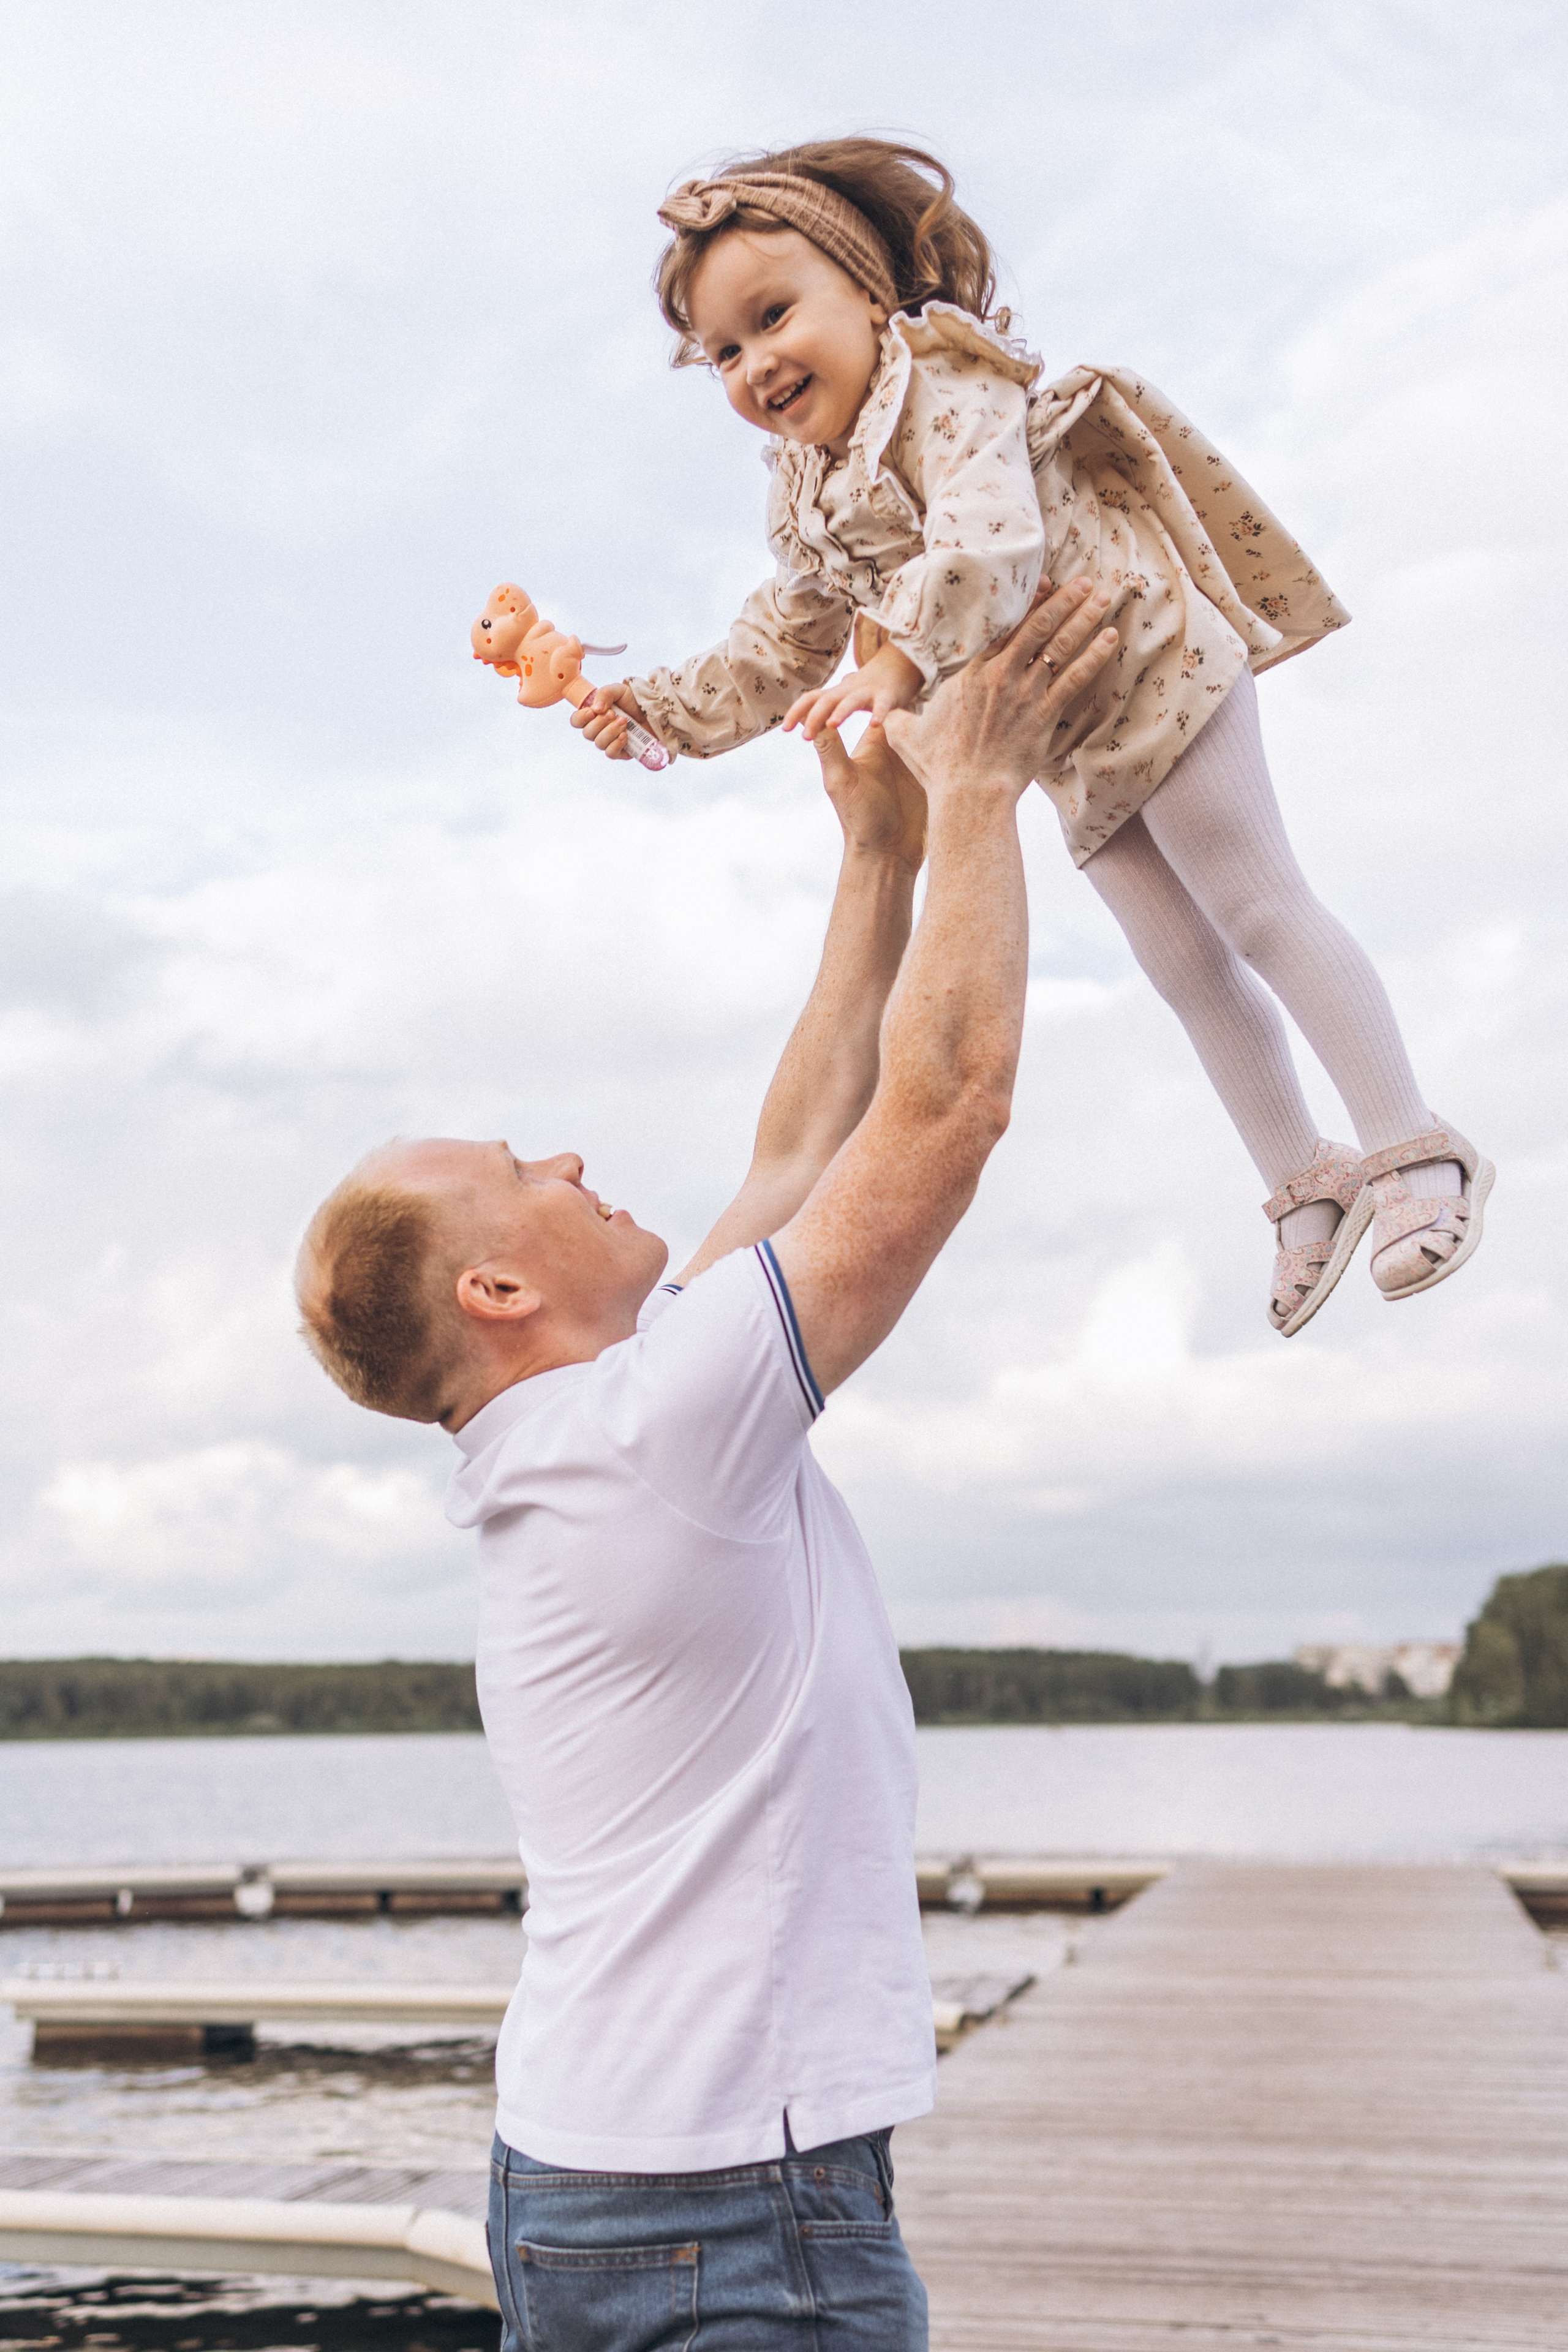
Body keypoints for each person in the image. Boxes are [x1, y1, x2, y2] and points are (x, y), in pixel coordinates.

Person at [295, 582, 1117, 2348]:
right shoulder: (652, 1437)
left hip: (603, 2176)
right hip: (730, 2206)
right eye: (525, 1162)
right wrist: (981, 791)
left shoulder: (609, 1417)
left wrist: (878, 859)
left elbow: (808, 1132)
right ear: (497, 1286)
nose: (576, 1153)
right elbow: (939, 1114)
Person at [573, 137, 1492, 1338]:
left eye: (771, 316)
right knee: (1178, 964)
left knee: (1255, 905)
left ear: (864, 291)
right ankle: (1301, 1174)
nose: (755, 364)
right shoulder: (808, 489)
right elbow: (777, 642)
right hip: (1060, 733)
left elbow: (988, 535)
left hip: (1139, 649)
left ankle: (1407, 1142)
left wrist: (896, 659)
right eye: (724, 353)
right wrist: (652, 711)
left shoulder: (943, 379)